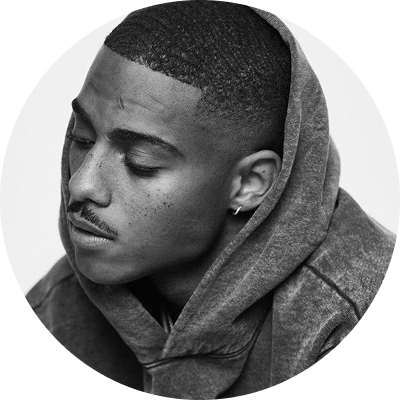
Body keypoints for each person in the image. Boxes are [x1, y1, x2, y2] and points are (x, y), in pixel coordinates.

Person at [24, 1, 394, 397]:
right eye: (81, 138)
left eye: (140, 162)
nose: (81, 184)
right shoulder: (56, 309)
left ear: (250, 183)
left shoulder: (347, 318)